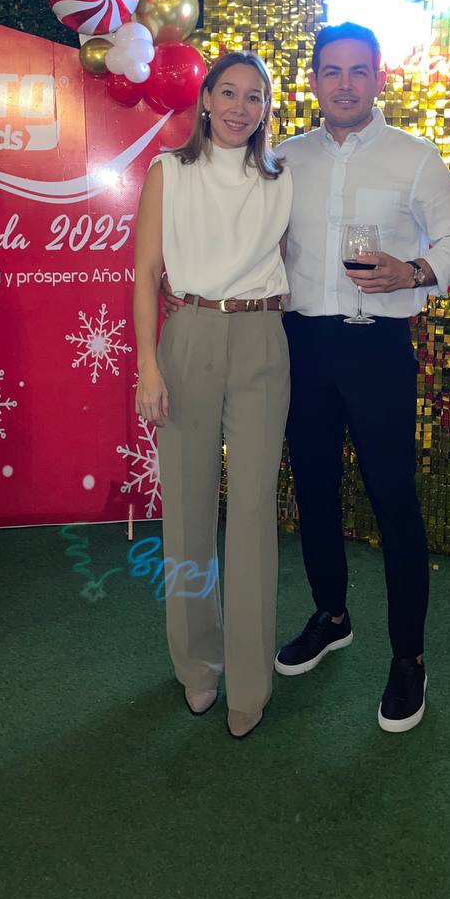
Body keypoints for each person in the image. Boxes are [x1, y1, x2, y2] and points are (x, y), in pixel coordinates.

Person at [273, 21, 450, 733]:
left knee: (394, 501)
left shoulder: (414, 157)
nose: (345, 84)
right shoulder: (284, 158)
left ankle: (408, 658)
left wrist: (413, 271)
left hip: (378, 348)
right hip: (302, 344)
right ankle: (331, 616)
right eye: (332, 71)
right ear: (314, 81)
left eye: (358, 71)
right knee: (314, 489)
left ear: (378, 79)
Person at [133, 51, 292, 740]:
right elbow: (145, 273)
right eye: (228, 92)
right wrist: (148, 364)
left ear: (266, 109)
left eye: (255, 97)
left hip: (262, 338)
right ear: (205, 99)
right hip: (189, 335)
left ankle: (250, 684)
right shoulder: (168, 170)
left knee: (253, 511)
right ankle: (197, 664)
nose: (239, 107)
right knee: (189, 511)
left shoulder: (282, 175)